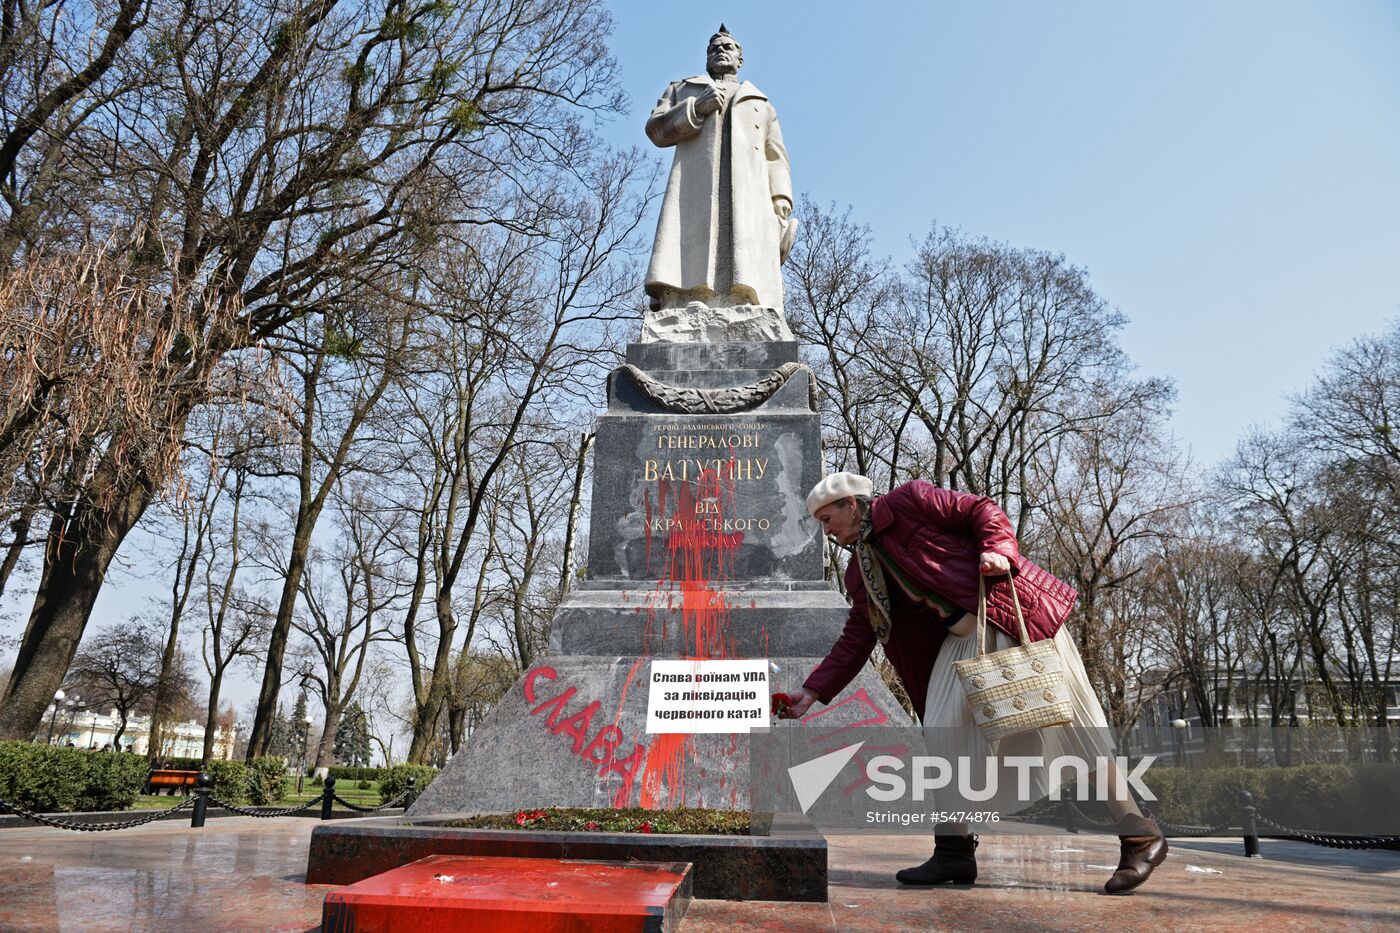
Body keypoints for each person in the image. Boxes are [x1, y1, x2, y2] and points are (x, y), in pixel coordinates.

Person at [784, 472, 1167, 895]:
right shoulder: (861, 570)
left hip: (1004, 614)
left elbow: (981, 509)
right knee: (944, 740)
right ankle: (954, 852)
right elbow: (859, 634)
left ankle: (1139, 835)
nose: (827, 529)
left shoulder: (910, 502)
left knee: (1070, 727)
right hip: (960, 640)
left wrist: (998, 550)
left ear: (852, 504)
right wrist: (813, 690)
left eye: (827, 517)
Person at [643, 25, 794, 329]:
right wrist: (696, 108)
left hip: (748, 191)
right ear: (707, 59)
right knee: (696, 233)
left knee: (743, 240)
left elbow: (775, 156)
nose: (721, 50)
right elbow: (656, 130)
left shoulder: (760, 103)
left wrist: (781, 198)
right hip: (696, 185)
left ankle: (743, 298)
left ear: (741, 59)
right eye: (715, 48)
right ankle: (690, 296)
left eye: (729, 47)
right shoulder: (683, 89)